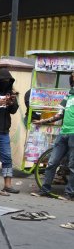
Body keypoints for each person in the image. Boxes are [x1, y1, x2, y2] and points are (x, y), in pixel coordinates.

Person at [33, 71, 74, 201]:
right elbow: (59, 114)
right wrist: (43, 121)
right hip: (63, 133)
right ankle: (45, 189)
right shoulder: (69, 95)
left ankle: (69, 194)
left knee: (72, 166)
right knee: (52, 162)